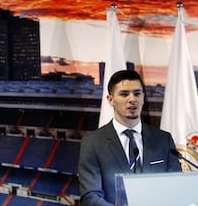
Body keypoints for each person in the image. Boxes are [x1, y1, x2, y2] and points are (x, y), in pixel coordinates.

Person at [78, 70, 181, 206]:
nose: (132, 99)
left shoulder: (163, 140)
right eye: (124, 94)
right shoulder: (92, 143)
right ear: (110, 100)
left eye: (137, 93)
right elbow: (90, 196)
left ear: (143, 97)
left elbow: (176, 187)